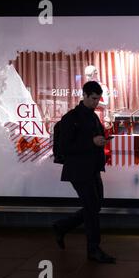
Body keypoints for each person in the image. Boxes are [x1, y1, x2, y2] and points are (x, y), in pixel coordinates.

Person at [53, 81, 116, 263]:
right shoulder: (71, 118)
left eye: (98, 99)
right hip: (78, 171)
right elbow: (65, 147)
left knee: (95, 206)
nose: (96, 102)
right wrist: (92, 142)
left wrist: (102, 140)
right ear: (85, 95)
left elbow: (94, 138)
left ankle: (62, 227)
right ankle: (93, 250)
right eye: (94, 98)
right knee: (91, 209)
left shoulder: (93, 116)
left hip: (92, 168)